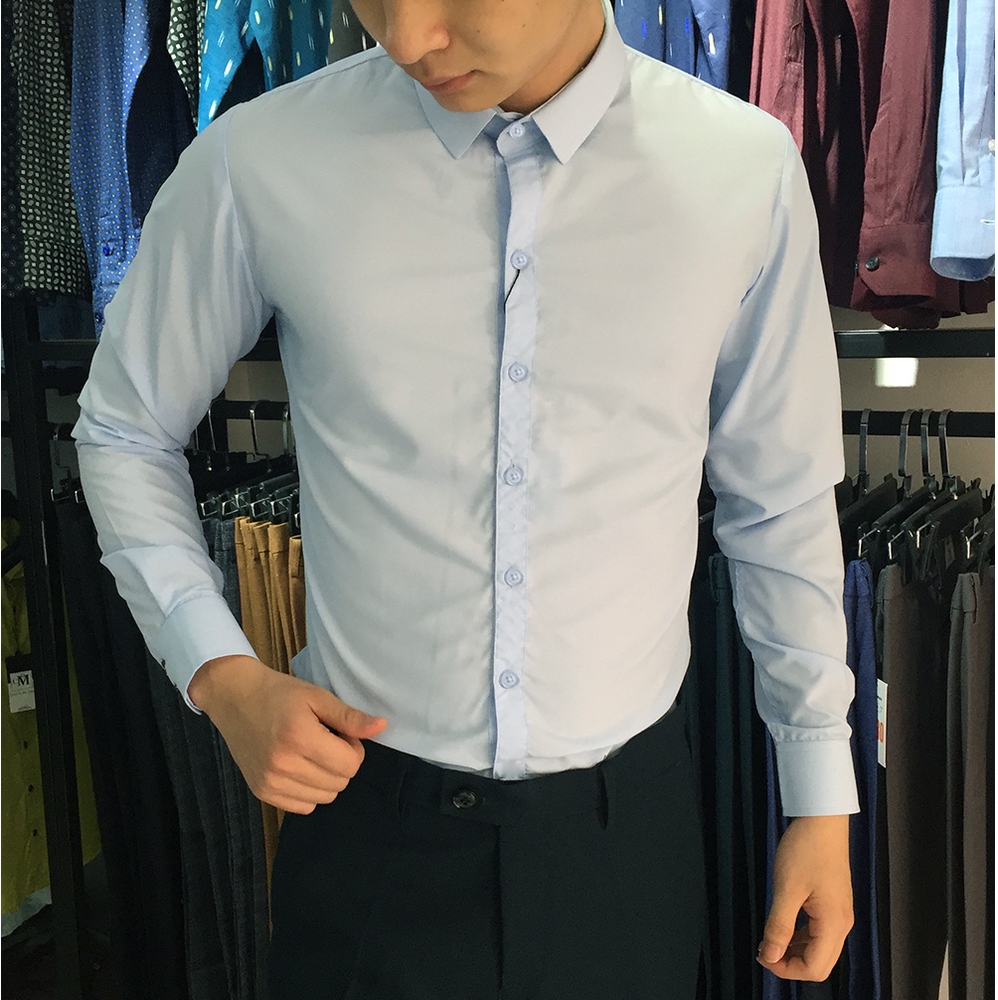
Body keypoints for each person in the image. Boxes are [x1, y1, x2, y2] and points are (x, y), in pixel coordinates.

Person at [74, 0, 859, 996]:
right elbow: (124, 429)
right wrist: (222, 675)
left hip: (624, 842)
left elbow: (778, 500)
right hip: (368, 834)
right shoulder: (261, 163)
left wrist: (818, 791)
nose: (406, 39)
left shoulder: (741, 171)